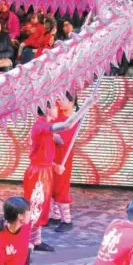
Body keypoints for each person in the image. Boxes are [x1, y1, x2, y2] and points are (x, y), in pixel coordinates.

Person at [24, 95, 95, 252]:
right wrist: (86, 106)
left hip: (44, 170)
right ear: (47, 109)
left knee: (40, 207)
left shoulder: (46, 126)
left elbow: (46, 151)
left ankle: (35, 241)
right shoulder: (41, 126)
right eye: (54, 106)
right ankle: (27, 242)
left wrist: (55, 167)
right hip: (38, 173)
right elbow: (68, 125)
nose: (57, 108)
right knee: (36, 207)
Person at [48, 92, 79, 233]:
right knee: (51, 186)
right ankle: (55, 216)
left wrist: (47, 134)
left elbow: (61, 139)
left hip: (63, 157)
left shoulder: (73, 120)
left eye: (64, 99)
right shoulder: (58, 114)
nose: (59, 101)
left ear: (72, 102)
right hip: (52, 156)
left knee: (61, 187)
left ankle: (67, 220)